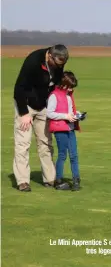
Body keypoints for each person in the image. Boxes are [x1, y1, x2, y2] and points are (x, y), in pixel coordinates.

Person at [13, 44, 69, 192]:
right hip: (25, 104)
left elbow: (55, 84)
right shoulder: (33, 61)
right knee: (23, 144)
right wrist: (24, 113)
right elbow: (19, 88)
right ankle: (23, 181)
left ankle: (50, 179)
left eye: (62, 64)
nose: (59, 66)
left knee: (46, 143)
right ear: (50, 56)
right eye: (57, 63)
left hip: (44, 105)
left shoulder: (59, 62)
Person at [46, 71, 82, 191]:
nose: (71, 89)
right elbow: (49, 113)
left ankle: (76, 179)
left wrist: (78, 115)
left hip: (70, 128)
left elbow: (70, 111)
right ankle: (59, 180)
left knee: (74, 155)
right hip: (60, 129)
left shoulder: (68, 96)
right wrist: (65, 116)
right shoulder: (54, 96)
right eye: (70, 87)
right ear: (64, 84)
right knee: (62, 155)